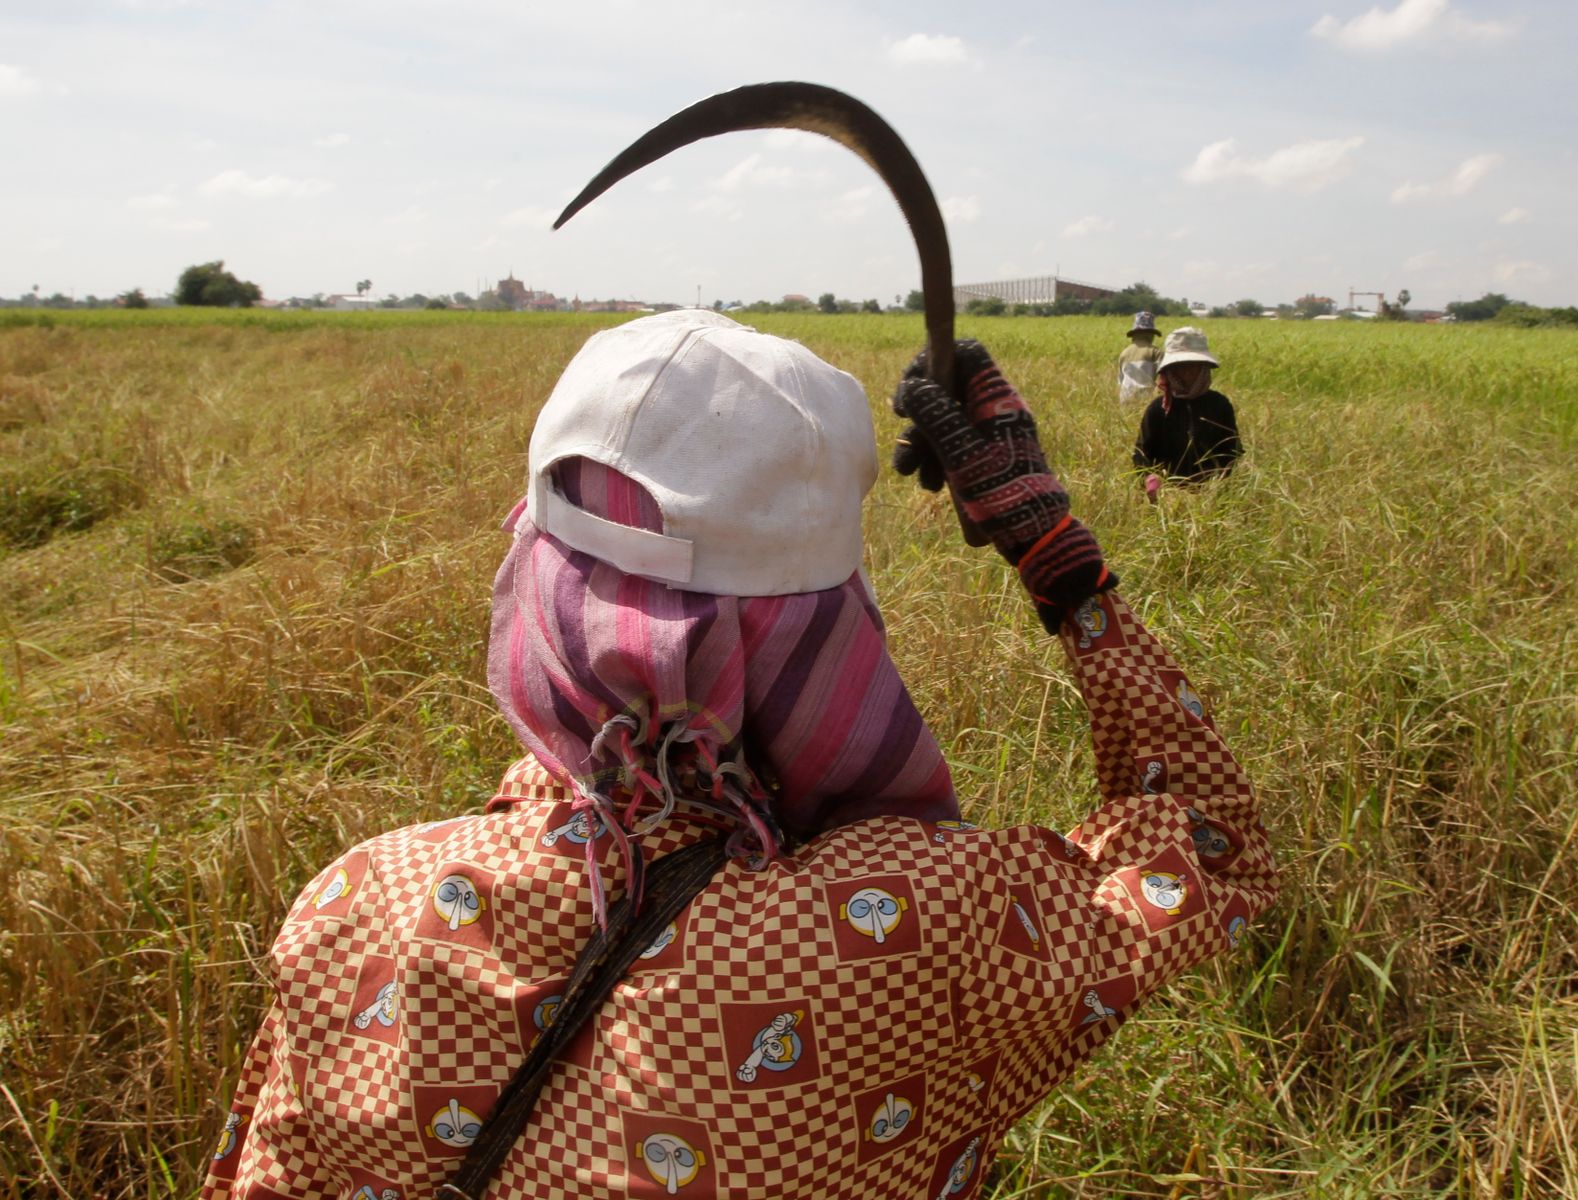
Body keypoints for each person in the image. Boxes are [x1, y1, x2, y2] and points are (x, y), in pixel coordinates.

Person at [203, 311, 1276, 1200]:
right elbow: (1215, 855)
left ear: (537, 597)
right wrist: (1056, 560)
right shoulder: (919, 924)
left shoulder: (358, 906)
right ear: (830, 634)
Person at [1133, 326, 1242, 502]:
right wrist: (1150, 479)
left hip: (1211, 495)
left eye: (1194, 366)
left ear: (1204, 368)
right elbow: (1141, 453)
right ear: (1170, 371)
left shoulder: (1219, 405)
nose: (1187, 372)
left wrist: (1214, 478)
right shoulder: (1158, 409)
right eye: (1181, 367)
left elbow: (1231, 450)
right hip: (1166, 495)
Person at [1116, 310, 1162, 404]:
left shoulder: (1124, 353)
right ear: (1151, 334)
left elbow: (1120, 381)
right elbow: (1162, 380)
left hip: (1125, 397)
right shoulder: (1155, 352)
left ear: (1134, 334)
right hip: (1146, 398)